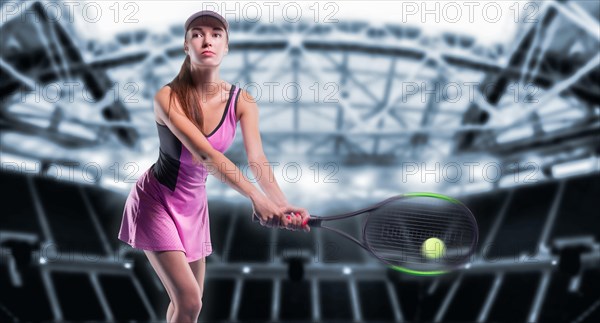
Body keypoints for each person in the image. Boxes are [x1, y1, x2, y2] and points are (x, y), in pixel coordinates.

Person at [117, 10, 310, 323]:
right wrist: (256, 198)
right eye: (197, 33)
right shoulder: (167, 97)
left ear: (226, 47)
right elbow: (205, 155)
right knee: (189, 301)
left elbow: (257, 160)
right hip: (156, 203)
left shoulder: (242, 101)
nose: (207, 39)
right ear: (186, 45)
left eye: (216, 34)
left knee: (189, 307)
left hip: (194, 207)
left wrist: (281, 203)